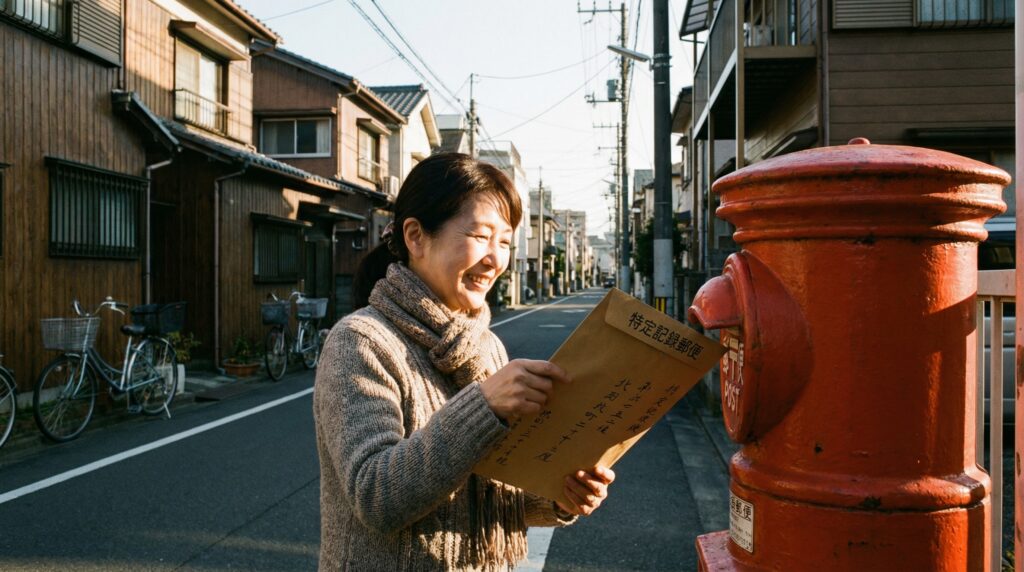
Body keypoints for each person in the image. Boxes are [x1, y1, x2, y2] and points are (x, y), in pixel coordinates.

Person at [314, 153, 615, 571]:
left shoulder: (486, 346)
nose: (496, 259)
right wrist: (484, 406)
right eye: (480, 235)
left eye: (505, 241)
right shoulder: (360, 341)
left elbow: (493, 493)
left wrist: (559, 496)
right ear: (416, 237)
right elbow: (376, 496)